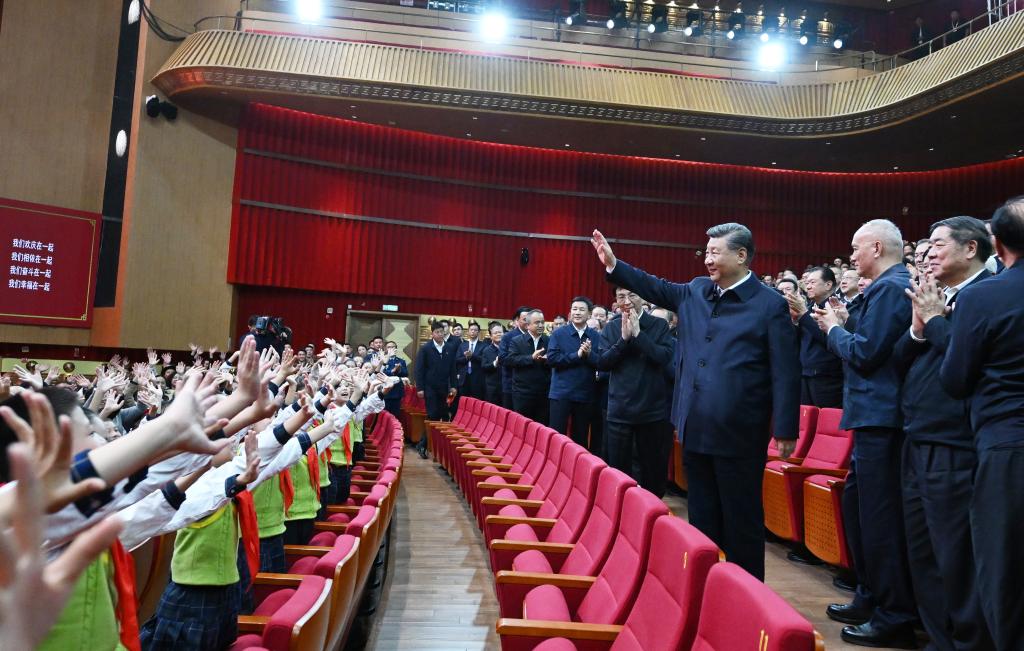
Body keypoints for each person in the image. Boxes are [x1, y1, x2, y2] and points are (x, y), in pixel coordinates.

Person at [593, 223, 800, 579]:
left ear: (741, 255)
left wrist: (785, 428)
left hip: (739, 431)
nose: (707, 259)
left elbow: (785, 370)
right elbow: (654, 286)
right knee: (701, 518)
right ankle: (705, 587)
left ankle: (747, 592)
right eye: (705, 252)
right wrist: (615, 264)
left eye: (715, 252)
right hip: (694, 425)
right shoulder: (696, 291)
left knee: (741, 519)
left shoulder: (769, 305)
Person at [812, 219, 917, 649]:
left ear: (876, 247)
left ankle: (893, 613)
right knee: (859, 511)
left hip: (883, 418)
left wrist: (835, 329)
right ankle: (871, 593)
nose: (851, 258)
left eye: (856, 249)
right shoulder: (880, 289)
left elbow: (866, 353)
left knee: (880, 520)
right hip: (870, 415)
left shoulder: (893, 288)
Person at [897, 216, 995, 651]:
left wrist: (935, 322)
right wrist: (920, 326)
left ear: (970, 249)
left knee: (956, 555)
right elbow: (899, 359)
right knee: (924, 552)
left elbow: (964, 364)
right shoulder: (934, 296)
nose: (928, 253)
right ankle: (939, 639)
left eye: (937, 245)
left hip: (956, 442)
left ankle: (967, 641)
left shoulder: (986, 296)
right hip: (917, 435)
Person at [939, 197, 1024, 651]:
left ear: (995, 243)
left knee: (1004, 573)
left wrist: (935, 324)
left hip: (1007, 448)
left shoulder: (983, 295)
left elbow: (955, 380)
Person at [593, 286, 674, 496]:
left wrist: (638, 335)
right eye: (621, 296)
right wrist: (624, 340)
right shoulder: (611, 328)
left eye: (632, 295)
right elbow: (602, 362)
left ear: (642, 297)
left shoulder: (658, 325)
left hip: (652, 410)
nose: (627, 300)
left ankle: (653, 513)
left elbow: (663, 357)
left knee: (653, 469)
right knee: (619, 468)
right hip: (620, 409)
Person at [786, 267, 844, 409]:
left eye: (812, 282)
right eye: (807, 282)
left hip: (827, 377)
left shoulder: (837, 307)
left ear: (828, 285)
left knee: (826, 423)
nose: (808, 286)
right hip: (806, 372)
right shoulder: (809, 307)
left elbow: (829, 338)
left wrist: (804, 314)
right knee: (806, 423)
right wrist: (794, 321)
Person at [547, 297, 600, 450]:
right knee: (556, 436)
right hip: (561, 393)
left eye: (582, 309)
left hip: (585, 394)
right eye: (574, 309)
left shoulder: (595, 336)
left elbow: (601, 362)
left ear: (589, 314)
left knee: (581, 438)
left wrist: (589, 354)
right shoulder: (559, 334)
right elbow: (552, 359)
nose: (577, 313)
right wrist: (576, 355)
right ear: (570, 313)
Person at [415, 321, 458, 459]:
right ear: (432, 333)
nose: (440, 334)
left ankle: (439, 448)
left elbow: (453, 368)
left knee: (445, 416)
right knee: (433, 414)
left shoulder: (450, 348)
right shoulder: (426, 348)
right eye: (437, 332)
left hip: (445, 388)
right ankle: (423, 445)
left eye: (442, 332)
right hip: (430, 388)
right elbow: (419, 369)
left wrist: (454, 386)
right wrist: (420, 388)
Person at [505, 310, 551, 424]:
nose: (541, 325)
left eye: (542, 322)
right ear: (528, 325)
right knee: (522, 426)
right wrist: (531, 358)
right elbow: (510, 360)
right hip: (522, 393)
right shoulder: (517, 341)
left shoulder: (548, 340)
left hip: (543, 393)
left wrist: (548, 360)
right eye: (537, 323)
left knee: (541, 427)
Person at [498, 307, 531, 410]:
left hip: (531, 386)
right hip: (511, 385)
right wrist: (529, 359)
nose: (528, 322)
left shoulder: (537, 336)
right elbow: (502, 359)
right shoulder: (508, 337)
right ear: (517, 320)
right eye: (525, 319)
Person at [456, 322, 486, 401]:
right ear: (468, 331)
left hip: (477, 379)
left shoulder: (483, 345)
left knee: (477, 402)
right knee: (463, 401)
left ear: (478, 332)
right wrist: (466, 357)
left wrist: (472, 356)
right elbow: (457, 359)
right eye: (471, 330)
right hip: (464, 378)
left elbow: (484, 360)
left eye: (475, 330)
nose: (473, 331)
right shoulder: (462, 345)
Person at [381, 340, 408, 419]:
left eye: (393, 347)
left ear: (396, 349)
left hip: (397, 391)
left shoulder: (401, 361)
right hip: (385, 391)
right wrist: (393, 371)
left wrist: (399, 369)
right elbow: (381, 373)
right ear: (385, 349)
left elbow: (405, 373)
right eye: (389, 347)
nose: (391, 349)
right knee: (384, 415)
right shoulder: (383, 360)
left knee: (395, 415)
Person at [479, 322, 504, 405]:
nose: (498, 334)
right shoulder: (487, 350)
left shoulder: (509, 348)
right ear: (490, 336)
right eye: (495, 333)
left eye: (500, 332)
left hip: (507, 388)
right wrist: (494, 364)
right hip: (493, 388)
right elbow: (483, 367)